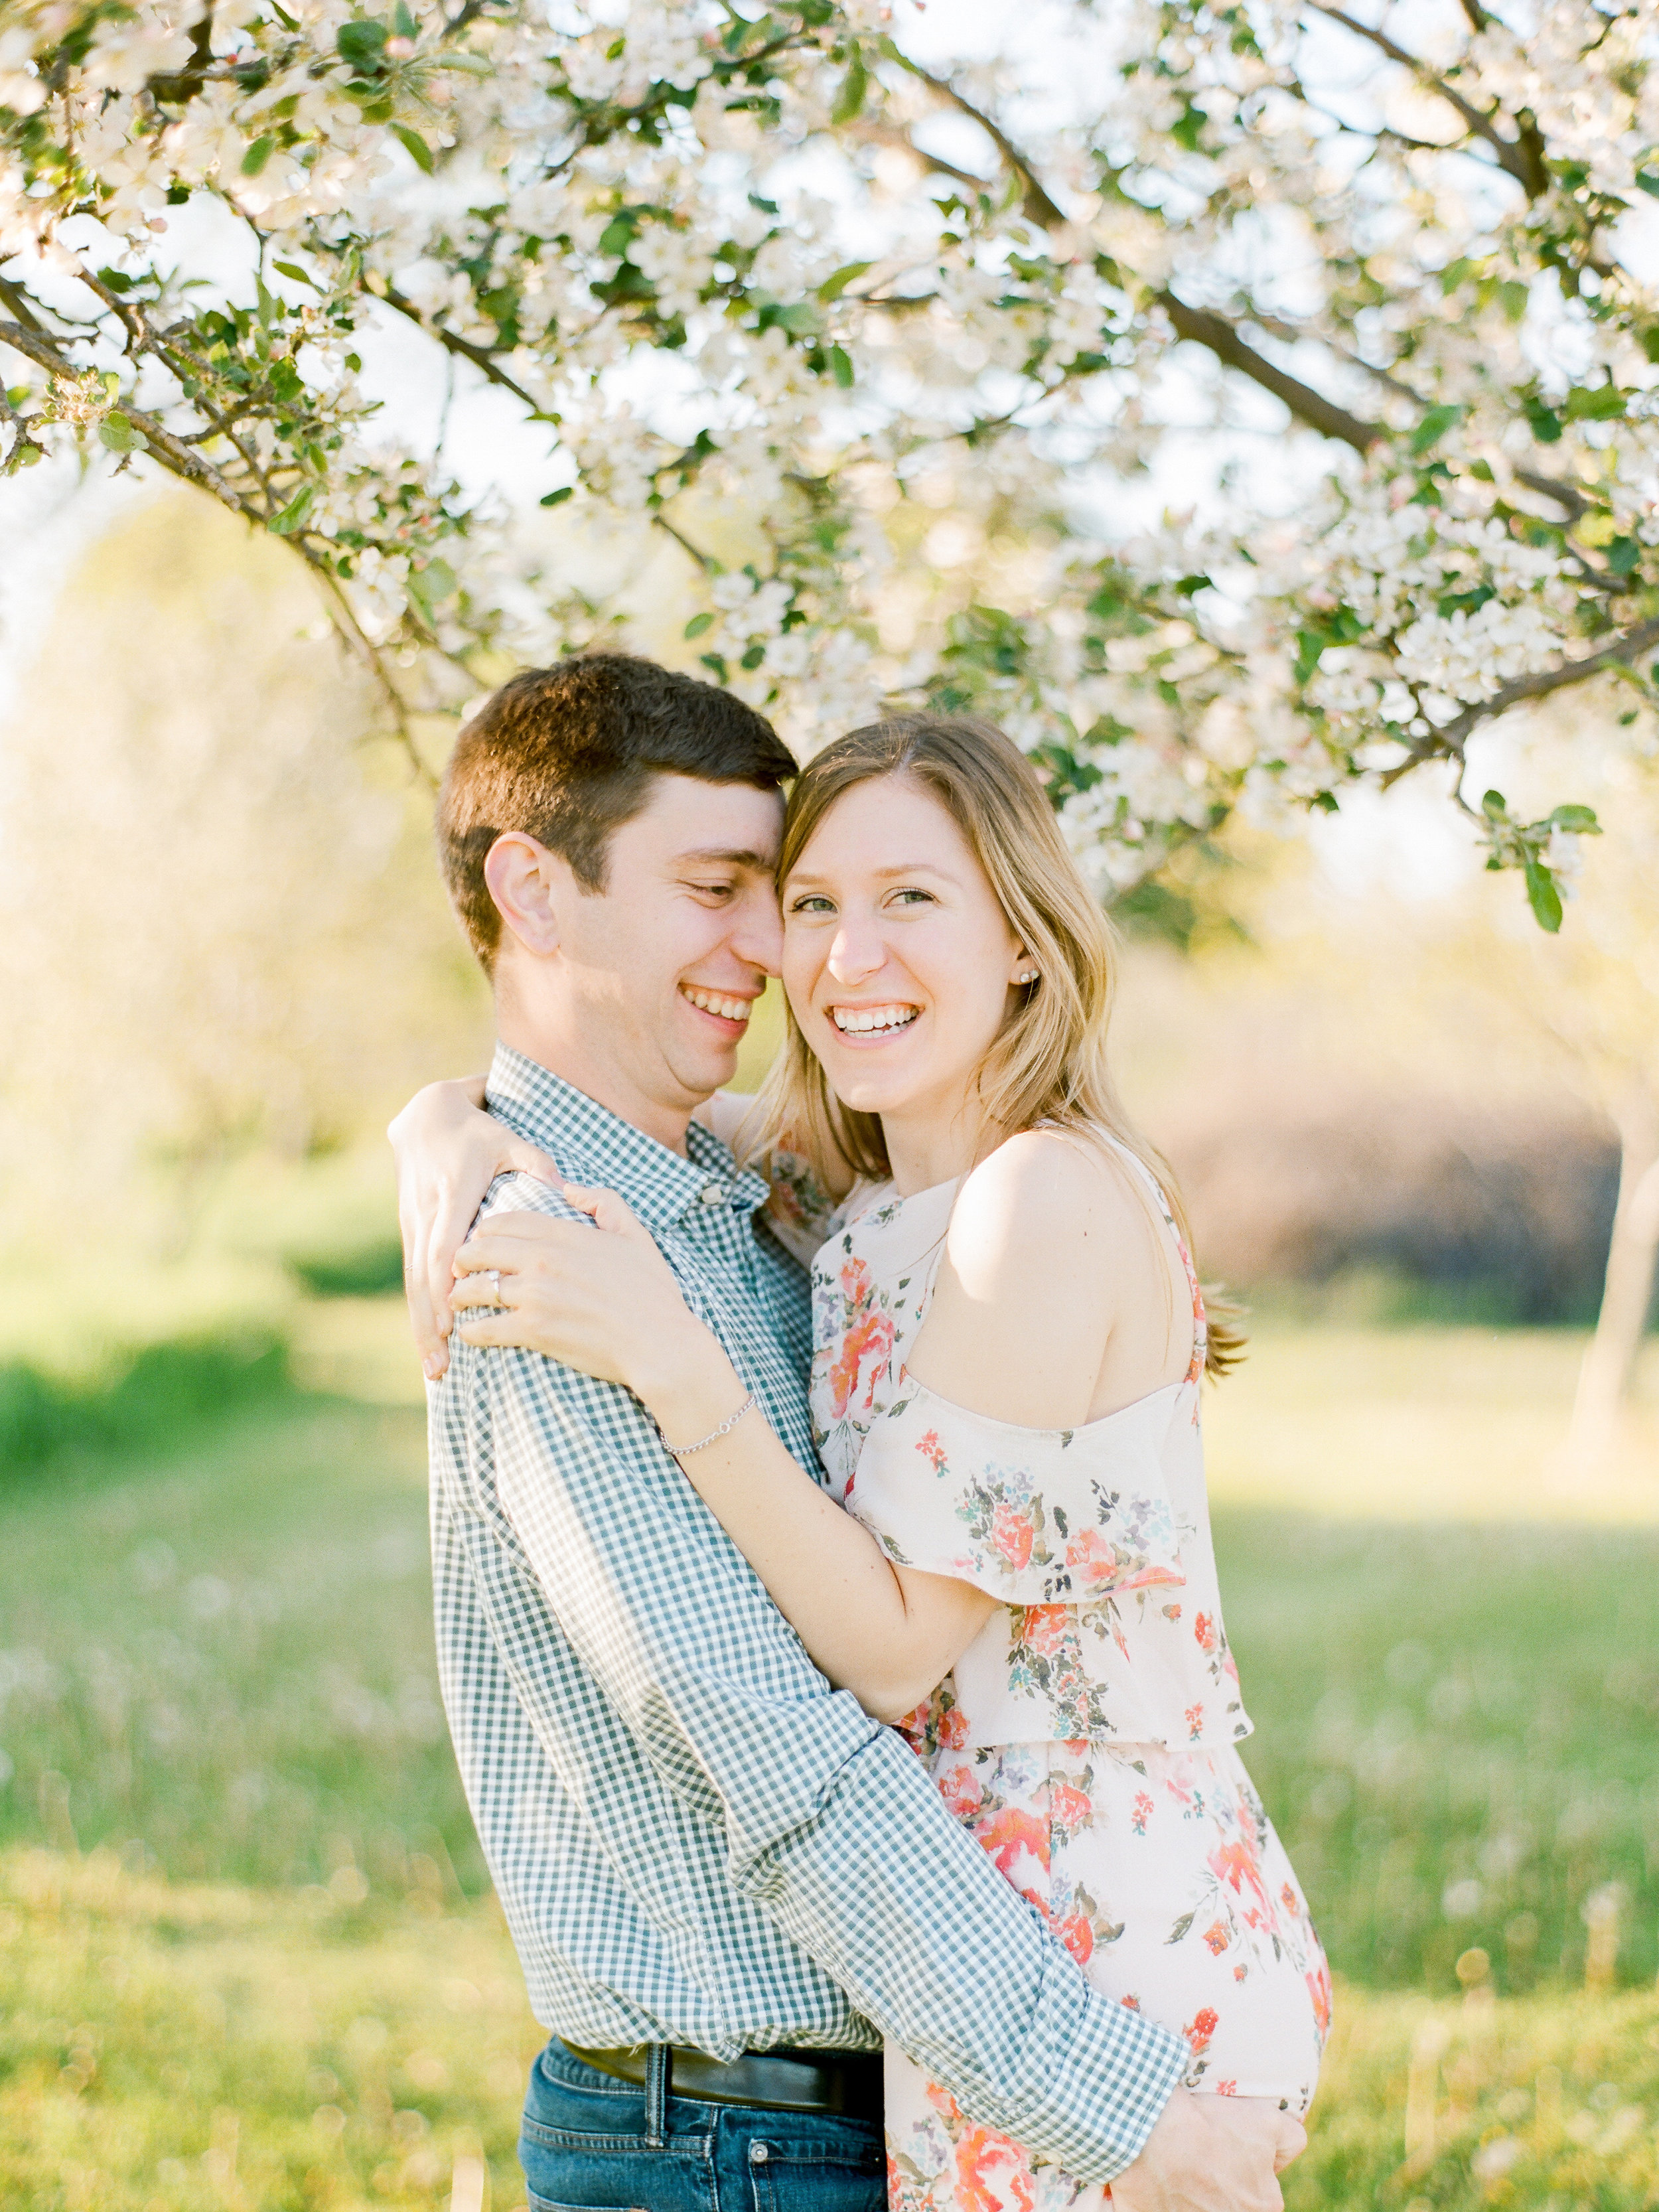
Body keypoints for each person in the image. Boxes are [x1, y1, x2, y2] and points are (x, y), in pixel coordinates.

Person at [394, 655, 1310, 2212]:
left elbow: (880, 1664)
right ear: (533, 893)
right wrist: (446, 1119)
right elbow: (775, 1741)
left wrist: (668, 1353)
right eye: (755, 892)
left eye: (882, 897)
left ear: (1023, 935)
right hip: (860, 2065)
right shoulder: (674, 1223)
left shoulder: (918, 1201)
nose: (786, 952)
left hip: (1068, 1978)